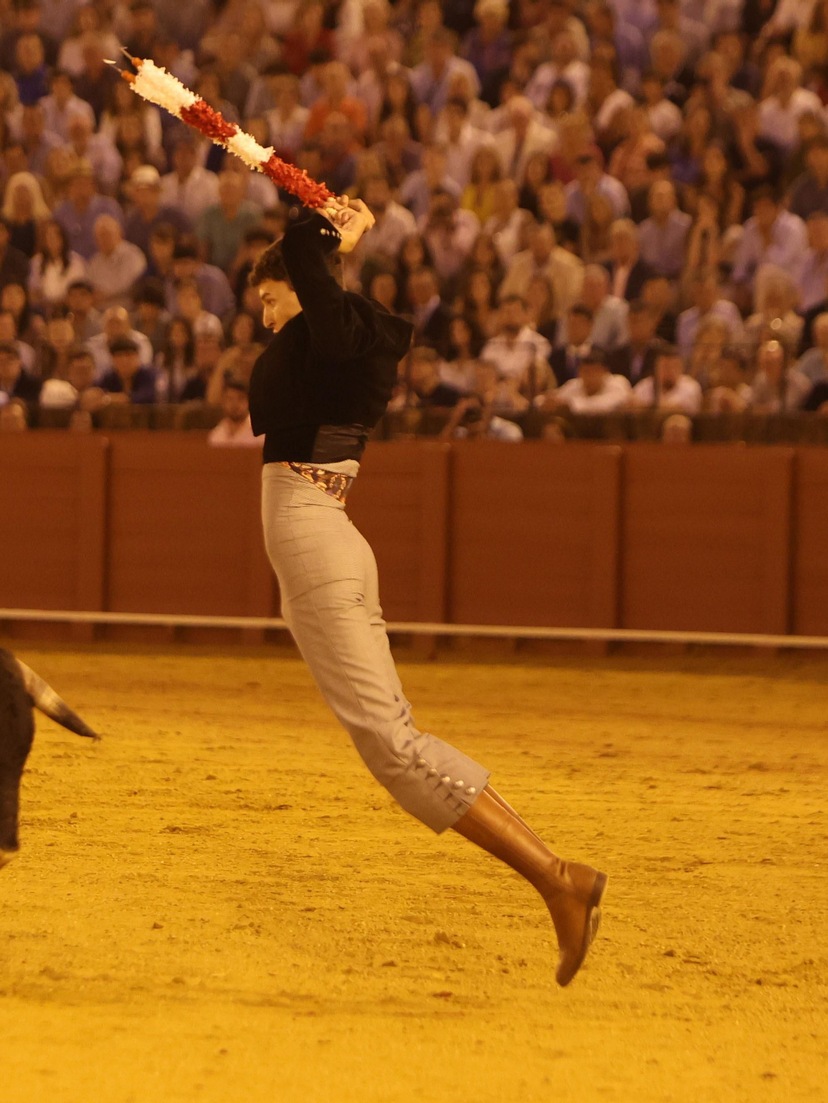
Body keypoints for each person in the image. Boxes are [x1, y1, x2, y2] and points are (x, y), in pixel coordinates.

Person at [248, 196, 605, 986]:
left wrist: (330, 232)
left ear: (299, 283)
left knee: (397, 749)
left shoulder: (339, 333)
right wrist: (328, 238)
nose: (265, 319)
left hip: (318, 541)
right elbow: (320, 304)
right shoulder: (341, 340)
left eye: (268, 299)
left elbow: (319, 296)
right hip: (321, 542)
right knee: (391, 742)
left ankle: (558, 878)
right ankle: (556, 877)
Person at [206, 380, 262, 447]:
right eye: (230, 399)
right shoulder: (216, 435)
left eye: (240, 398)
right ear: (223, 402)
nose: (234, 404)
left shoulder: (260, 434)